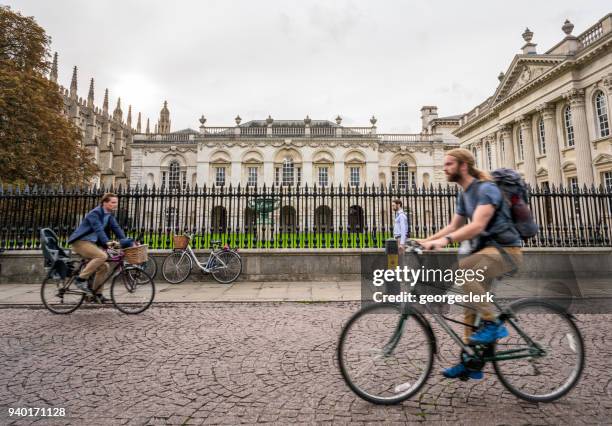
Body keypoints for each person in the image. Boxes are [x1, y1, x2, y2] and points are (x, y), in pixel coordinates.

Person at [419, 148, 523, 380]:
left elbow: (476, 226)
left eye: (448, 164)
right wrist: (424, 241)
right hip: (486, 252)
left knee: (463, 271)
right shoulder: (464, 194)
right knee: (469, 308)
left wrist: (444, 242)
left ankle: (493, 323)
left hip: (506, 251)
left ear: (463, 166)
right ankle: (471, 362)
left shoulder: (486, 189)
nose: (444, 168)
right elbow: (453, 226)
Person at [67, 193, 128, 301]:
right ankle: (80, 279)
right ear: (105, 202)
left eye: (116, 202)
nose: (115, 205)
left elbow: (117, 228)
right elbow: (99, 230)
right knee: (102, 256)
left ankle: (96, 294)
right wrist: (108, 244)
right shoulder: (95, 213)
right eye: (113, 202)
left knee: (104, 267)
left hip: (91, 243)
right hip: (80, 242)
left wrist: (126, 242)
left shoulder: (109, 215)